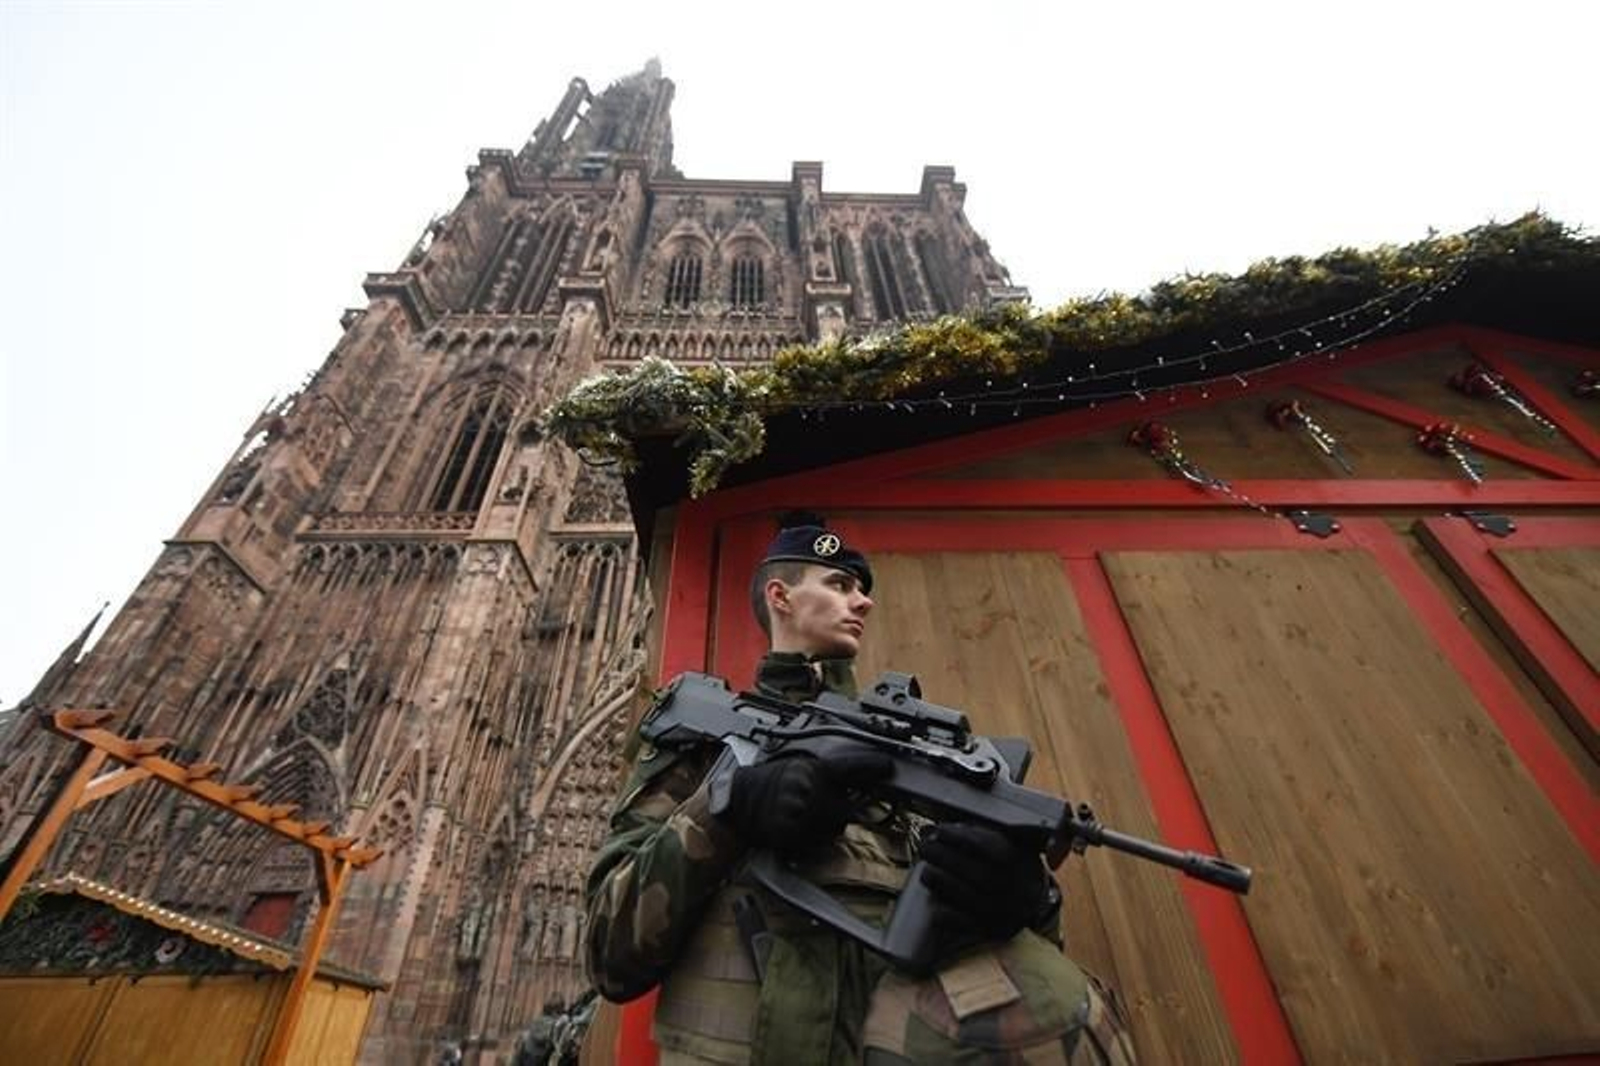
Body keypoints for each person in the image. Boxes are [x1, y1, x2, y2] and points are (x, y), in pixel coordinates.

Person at [585, 514, 1135, 1064]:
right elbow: (609, 955)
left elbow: (1027, 971)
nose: (864, 601)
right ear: (781, 596)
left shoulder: (918, 761)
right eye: (839, 584)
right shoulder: (705, 741)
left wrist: (1030, 903)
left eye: (863, 589)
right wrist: (727, 810)